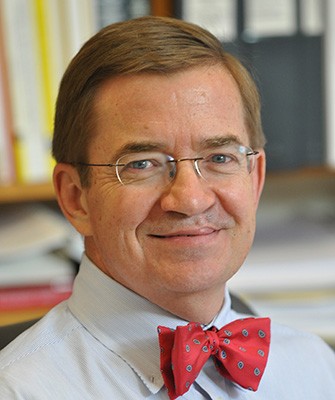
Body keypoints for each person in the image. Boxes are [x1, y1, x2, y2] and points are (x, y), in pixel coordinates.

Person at [0, 16, 334, 399]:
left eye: (220, 158)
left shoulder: (315, 369)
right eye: (143, 164)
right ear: (76, 198)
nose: (191, 199)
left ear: (255, 178)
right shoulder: (18, 390)